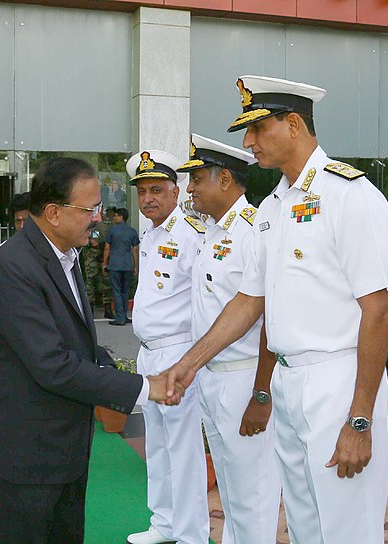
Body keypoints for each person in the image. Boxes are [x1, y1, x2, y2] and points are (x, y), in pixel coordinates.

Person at [164, 75, 388, 544]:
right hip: (289, 381)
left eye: (258, 129)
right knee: (307, 523)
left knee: (346, 526)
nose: (248, 143)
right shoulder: (272, 207)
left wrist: (361, 418)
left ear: (293, 125)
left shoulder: (349, 194)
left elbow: (379, 310)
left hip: (338, 380)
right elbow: (250, 301)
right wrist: (188, 364)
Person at [0, 157, 176, 543]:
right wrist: (146, 389)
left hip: (63, 447)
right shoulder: (14, 266)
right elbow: (53, 365)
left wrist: (124, 374)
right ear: (53, 212)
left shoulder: (65, 254)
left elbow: (80, 343)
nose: (97, 218)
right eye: (89, 209)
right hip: (28, 454)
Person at [178, 134, 282, 543]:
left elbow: (271, 316)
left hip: (244, 379)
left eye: (197, 179)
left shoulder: (253, 230)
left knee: (253, 493)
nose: (190, 189)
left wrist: (262, 393)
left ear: (224, 180)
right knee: (231, 489)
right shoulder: (210, 231)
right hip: (212, 378)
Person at [126, 150, 209, 544]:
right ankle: (163, 524)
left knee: (184, 451)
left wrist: (195, 357)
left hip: (178, 352)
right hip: (149, 353)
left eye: (156, 189)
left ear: (176, 192)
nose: (148, 199)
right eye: (142, 191)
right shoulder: (152, 233)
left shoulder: (192, 232)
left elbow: (205, 298)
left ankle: (192, 535)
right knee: (156, 445)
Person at [103, 207, 139, 326]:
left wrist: (105, 262)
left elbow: (107, 248)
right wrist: (135, 266)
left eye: (116, 216)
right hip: (128, 264)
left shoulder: (112, 230)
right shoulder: (132, 231)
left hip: (115, 264)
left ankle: (120, 318)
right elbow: (135, 250)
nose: (114, 217)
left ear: (121, 217)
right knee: (125, 291)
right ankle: (124, 315)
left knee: (116, 291)